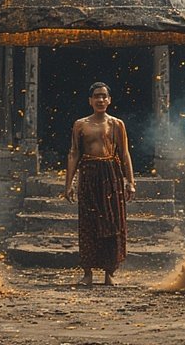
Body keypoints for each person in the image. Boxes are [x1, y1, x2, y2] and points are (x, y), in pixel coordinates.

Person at [65, 82, 135, 286]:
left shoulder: (116, 124)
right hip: (88, 174)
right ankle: (87, 273)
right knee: (88, 223)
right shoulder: (80, 124)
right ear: (90, 100)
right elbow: (74, 153)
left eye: (104, 96)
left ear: (110, 100)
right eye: (96, 96)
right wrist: (68, 184)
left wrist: (130, 181)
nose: (101, 100)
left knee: (112, 223)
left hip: (110, 174)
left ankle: (109, 272)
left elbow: (124, 154)